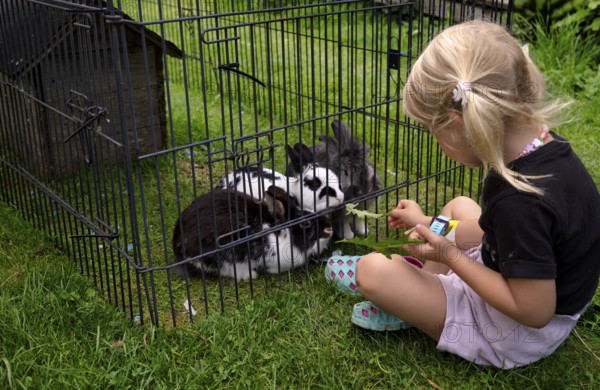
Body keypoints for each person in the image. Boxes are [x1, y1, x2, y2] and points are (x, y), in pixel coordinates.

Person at [324, 20, 600, 369]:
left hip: (516, 331)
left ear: (457, 123)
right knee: (459, 207)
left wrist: (449, 255)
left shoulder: (520, 201)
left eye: (432, 132)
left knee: (372, 272)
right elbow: (494, 231)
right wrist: (428, 224)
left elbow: (535, 311)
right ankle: (421, 284)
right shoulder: (543, 147)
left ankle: (412, 296)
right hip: (525, 281)